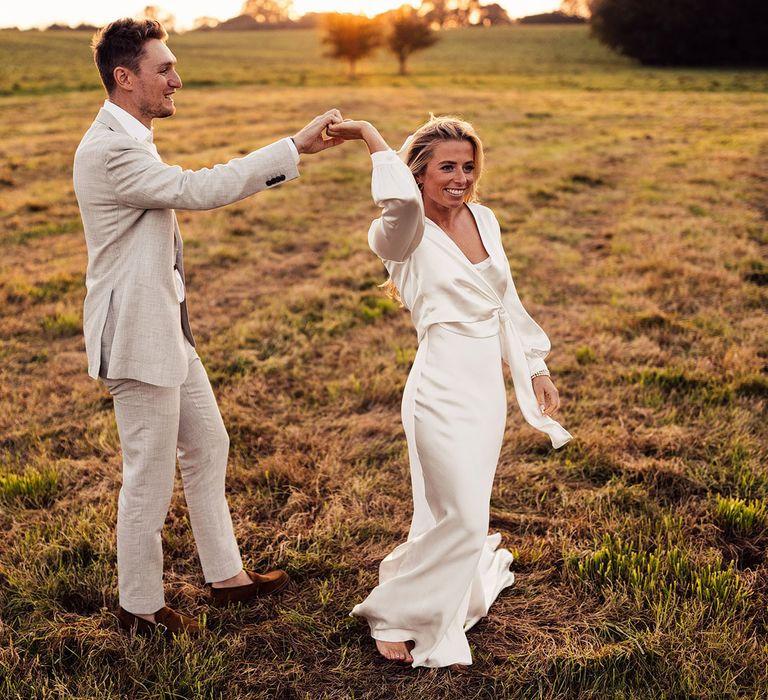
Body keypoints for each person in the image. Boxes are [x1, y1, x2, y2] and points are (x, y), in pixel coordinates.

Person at [72, 17, 344, 638]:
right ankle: (139, 605)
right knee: (149, 471)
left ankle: (225, 578)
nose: (178, 79)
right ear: (125, 77)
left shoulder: (130, 134)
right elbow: (199, 189)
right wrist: (292, 149)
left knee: (209, 445)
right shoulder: (110, 148)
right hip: (138, 338)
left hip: (166, 328)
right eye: (164, 69)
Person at [327, 116, 573, 668]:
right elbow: (402, 206)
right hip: (438, 386)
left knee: (455, 513)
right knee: (459, 515)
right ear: (418, 173)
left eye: (467, 166)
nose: (460, 178)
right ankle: (392, 613)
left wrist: (534, 368)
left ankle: (435, 597)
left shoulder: (484, 218)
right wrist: (370, 136)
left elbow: (507, 302)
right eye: (446, 167)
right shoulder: (399, 231)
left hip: (485, 387)